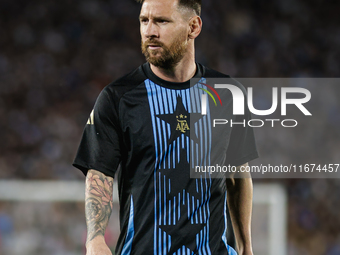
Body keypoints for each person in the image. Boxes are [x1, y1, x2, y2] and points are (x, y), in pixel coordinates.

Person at [73, 0, 258, 254]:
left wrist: (246, 246)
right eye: (144, 20)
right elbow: (99, 173)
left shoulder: (227, 94)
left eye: (161, 21)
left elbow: (237, 175)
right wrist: (94, 239)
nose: (150, 31)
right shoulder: (118, 97)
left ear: (193, 27)